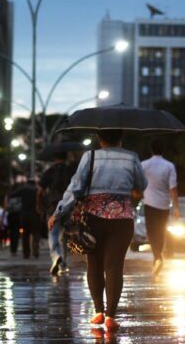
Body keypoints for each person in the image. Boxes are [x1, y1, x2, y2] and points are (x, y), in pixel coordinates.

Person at [48, 129, 147, 332]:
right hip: (122, 219)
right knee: (114, 266)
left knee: (94, 263)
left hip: (93, 218)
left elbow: (75, 187)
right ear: (121, 138)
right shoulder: (131, 157)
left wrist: (58, 212)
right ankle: (111, 315)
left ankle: (98, 311)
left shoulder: (90, 156)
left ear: (99, 139)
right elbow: (142, 184)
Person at [141, 139, 179, 275]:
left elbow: (138, 181)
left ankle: (157, 257)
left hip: (149, 203)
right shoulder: (169, 166)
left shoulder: (144, 165)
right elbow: (173, 188)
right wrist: (176, 207)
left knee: (151, 232)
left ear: (151, 149)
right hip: (163, 204)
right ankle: (158, 256)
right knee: (161, 231)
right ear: (163, 150)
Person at [37, 151, 76, 276]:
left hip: (53, 207)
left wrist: (39, 205)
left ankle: (56, 257)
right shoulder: (71, 170)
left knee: (53, 234)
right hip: (69, 207)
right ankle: (64, 263)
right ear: (66, 158)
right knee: (65, 236)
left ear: (54, 158)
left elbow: (40, 191)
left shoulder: (50, 171)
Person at [7, 179, 40, 259]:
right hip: (35, 214)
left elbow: (12, 195)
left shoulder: (23, 189)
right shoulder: (37, 190)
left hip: (24, 214)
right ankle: (35, 250)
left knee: (25, 234)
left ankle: (26, 253)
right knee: (35, 233)